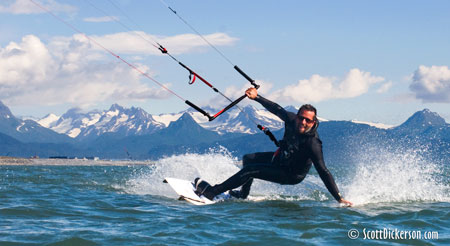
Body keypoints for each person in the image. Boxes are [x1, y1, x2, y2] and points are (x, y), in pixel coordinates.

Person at [194, 87, 353, 206]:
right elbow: (276, 109)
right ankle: (243, 194)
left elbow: (323, 171)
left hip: (291, 174)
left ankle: (212, 192)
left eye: (308, 120)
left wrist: (338, 198)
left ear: (314, 122)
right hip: (281, 159)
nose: (303, 123)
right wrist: (257, 97)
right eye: (301, 118)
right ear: (297, 116)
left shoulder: (313, 144)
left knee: (250, 171)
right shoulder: (291, 120)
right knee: (248, 159)